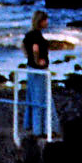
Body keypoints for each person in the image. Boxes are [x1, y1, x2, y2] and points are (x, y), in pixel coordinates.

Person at [21, 9, 52, 137]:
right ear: (40, 21)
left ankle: (31, 125)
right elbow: (35, 49)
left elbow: (23, 45)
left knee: (32, 96)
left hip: (30, 69)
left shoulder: (29, 34)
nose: (47, 22)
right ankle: (40, 129)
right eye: (45, 20)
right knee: (40, 98)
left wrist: (28, 57)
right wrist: (37, 61)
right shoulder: (37, 36)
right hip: (38, 70)